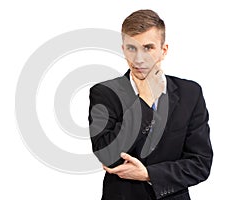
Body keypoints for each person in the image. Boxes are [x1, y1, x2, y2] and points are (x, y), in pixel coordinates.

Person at [88, 9, 213, 200]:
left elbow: (200, 164)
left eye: (148, 48)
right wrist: (144, 102)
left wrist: (149, 174)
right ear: (123, 49)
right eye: (132, 48)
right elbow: (107, 156)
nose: (139, 59)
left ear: (163, 50)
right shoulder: (104, 93)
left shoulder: (190, 93)